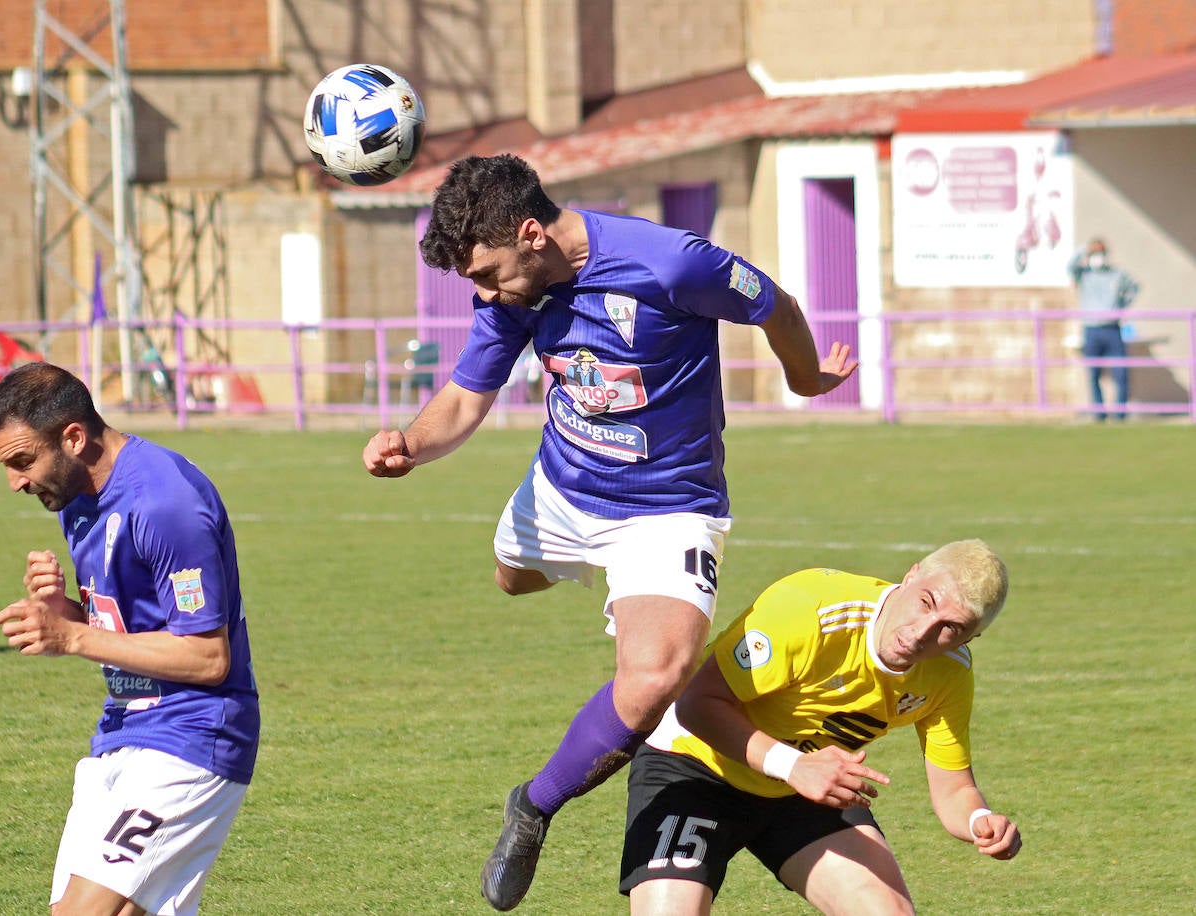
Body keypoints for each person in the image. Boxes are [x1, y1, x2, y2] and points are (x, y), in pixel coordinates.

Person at [361, 153, 857, 911]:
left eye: (488, 274)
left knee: (655, 677)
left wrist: (804, 377)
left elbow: (775, 306)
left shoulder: (672, 263)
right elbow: (463, 400)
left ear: (530, 233)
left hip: (666, 508)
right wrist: (408, 444)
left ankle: (531, 807)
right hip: (559, 490)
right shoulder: (511, 295)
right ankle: (584, 576)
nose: (484, 294)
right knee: (511, 577)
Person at [0, 362, 260, 916]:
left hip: (193, 732)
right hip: (121, 730)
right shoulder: (75, 496)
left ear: (73, 437)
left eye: (22, 461)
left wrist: (69, 637)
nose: (15, 481)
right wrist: (70, 612)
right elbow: (138, 621)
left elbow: (207, 657)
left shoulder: (165, 502)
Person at [620, 539, 1022, 915]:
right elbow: (695, 704)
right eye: (926, 602)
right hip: (696, 765)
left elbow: (953, 789)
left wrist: (979, 821)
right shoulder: (810, 608)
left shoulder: (949, 675)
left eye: (951, 628)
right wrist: (794, 766)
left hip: (804, 786)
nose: (922, 633)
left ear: (973, 637)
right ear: (912, 574)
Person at [1069, 237, 1139, 421]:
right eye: (1094, 253)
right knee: (1093, 373)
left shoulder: (1116, 274)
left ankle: (1120, 415)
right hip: (1091, 329)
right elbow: (1069, 266)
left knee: (1121, 373)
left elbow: (1134, 287)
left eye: (1100, 253)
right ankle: (1099, 413)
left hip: (1112, 329)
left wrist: (1121, 306)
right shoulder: (1084, 274)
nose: (1098, 257)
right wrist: (1084, 248)